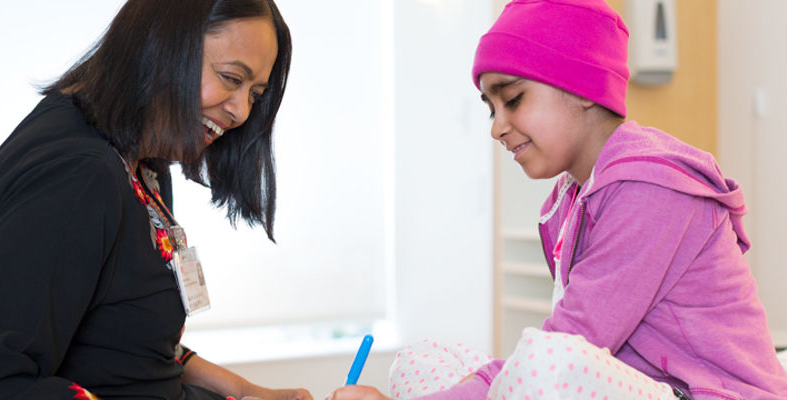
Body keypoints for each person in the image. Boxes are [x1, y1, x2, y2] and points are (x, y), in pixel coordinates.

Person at [329, 0, 787, 399]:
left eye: (512, 99)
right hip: (642, 384)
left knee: (544, 364)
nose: (496, 126)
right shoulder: (573, 197)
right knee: (418, 362)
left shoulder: (651, 191)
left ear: (582, 87)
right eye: (491, 108)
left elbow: (569, 348)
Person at [0, 0, 312, 399]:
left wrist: (243, 391)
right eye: (231, 78)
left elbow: (123, 343)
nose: (241, 111)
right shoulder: (78, 176)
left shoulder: (140, 159)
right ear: (165, 45)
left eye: (255, 94)